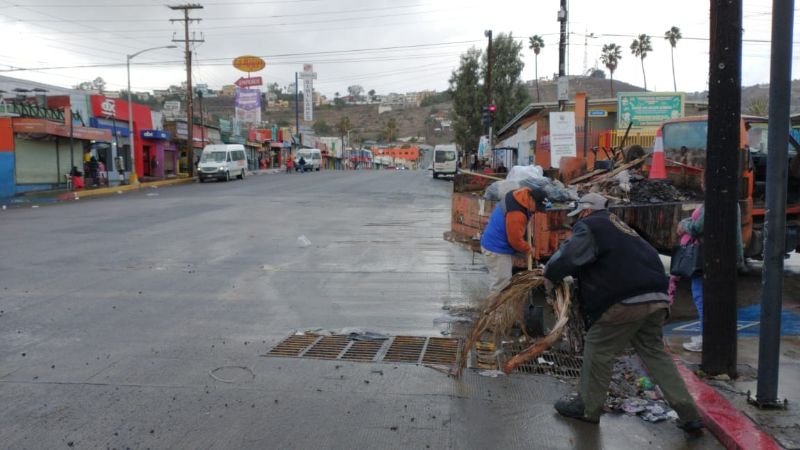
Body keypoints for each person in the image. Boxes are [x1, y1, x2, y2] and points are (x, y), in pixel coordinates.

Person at [544, 193, 703, 435]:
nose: (575, 222)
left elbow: (566, 257)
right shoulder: (624, 229)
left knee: (598, 348)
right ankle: (688, 412)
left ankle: (588, 407)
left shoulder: (591, 225)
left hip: (625, 301)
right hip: (658, 297)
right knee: (654, 353)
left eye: (577, 217)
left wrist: (549, 274)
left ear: (586, 211)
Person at [480, 187, 549, 295]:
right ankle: (494, 311)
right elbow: (515, 241)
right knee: (501, 286)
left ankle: (497, 309)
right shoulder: (517, 214)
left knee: (502, 283)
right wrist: (528, 248)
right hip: (496, 250)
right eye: (537, 207)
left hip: (493, 242)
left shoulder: (519, 195)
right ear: (531, 199)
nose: (536, 211)